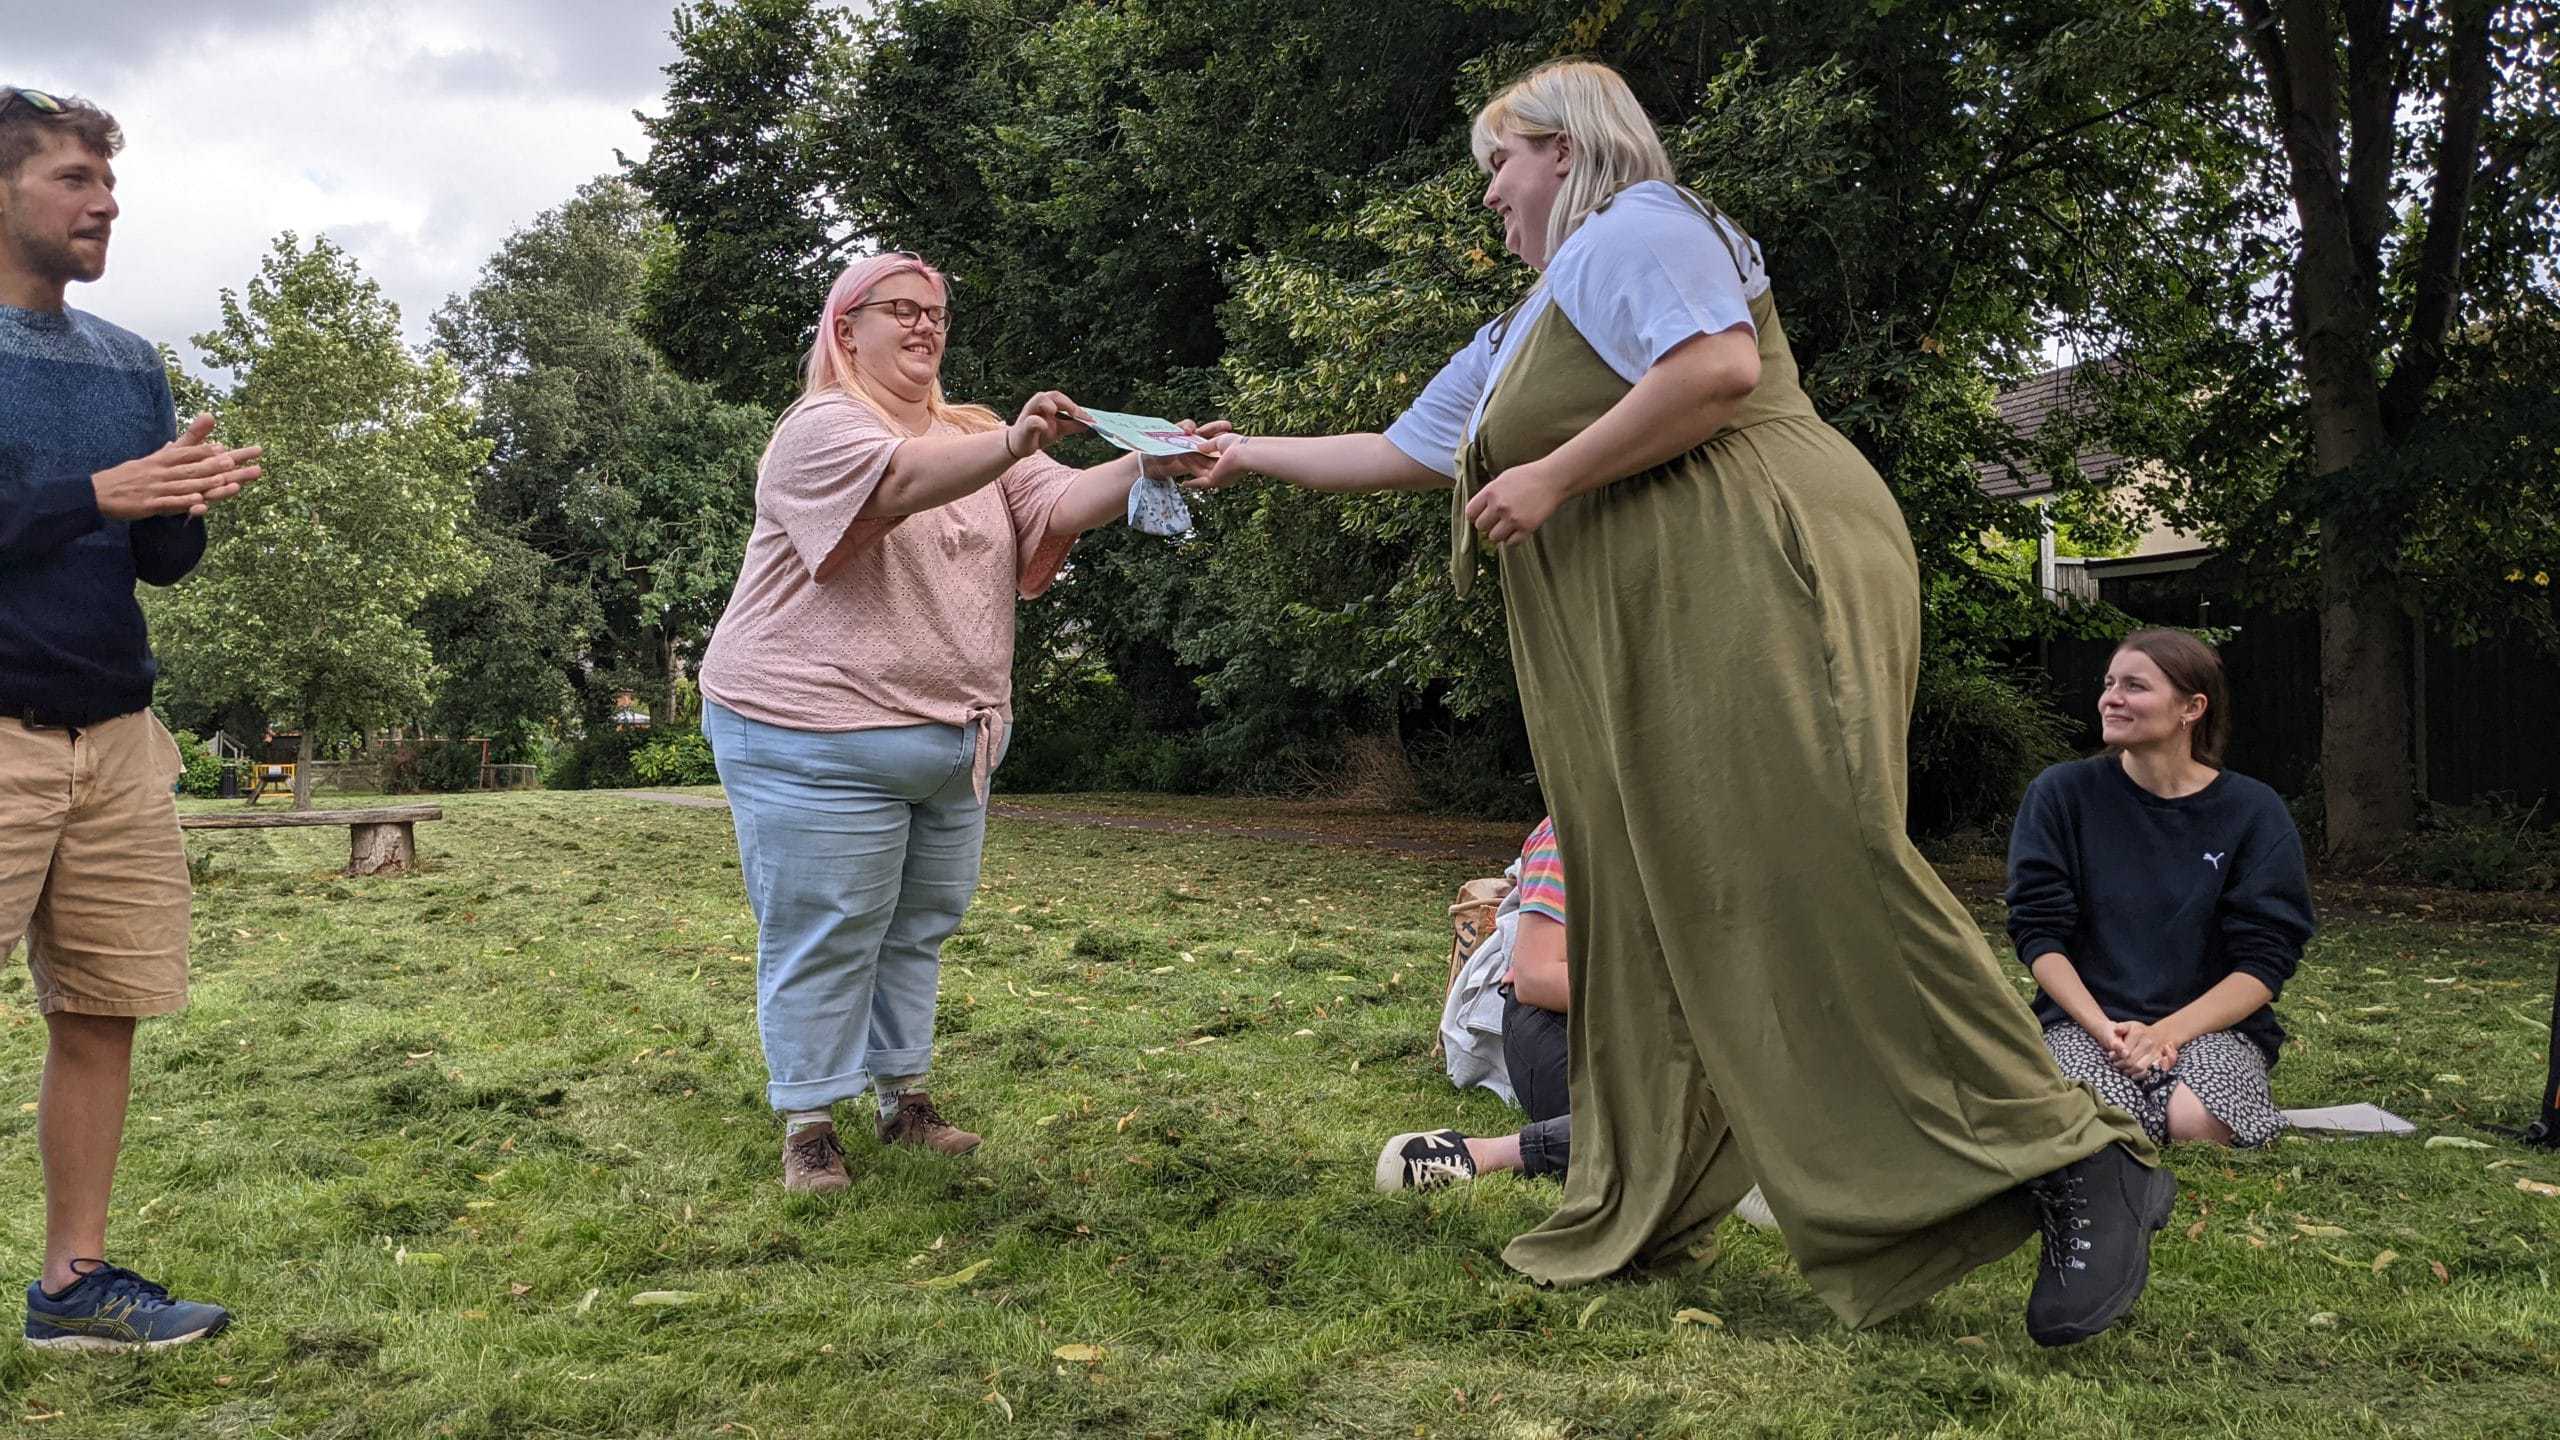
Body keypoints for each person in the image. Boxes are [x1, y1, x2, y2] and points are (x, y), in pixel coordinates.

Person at [1196, 60, 2169, 1344]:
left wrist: (1549, 479)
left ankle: (2075, 1157)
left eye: (1501, 162)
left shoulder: (1640, 226)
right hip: (1644, 627)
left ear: (1566, 151)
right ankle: (1646, 1189)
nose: (1488, 193)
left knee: (1814, 862)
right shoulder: (1523, 327)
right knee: (1654, 892)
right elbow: (1401, 450)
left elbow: (1712, 369)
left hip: (1755, 573)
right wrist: (1231, 452)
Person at [697, 251, 1220, 1194]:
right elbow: (898, 484)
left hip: (955, 736)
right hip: (814, 730)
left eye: (935, 311)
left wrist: (1147, 460)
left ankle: (905, 1099)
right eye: (899, 309)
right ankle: (810, 1122)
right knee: (828, 925)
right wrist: (1015, 442)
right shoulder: (820, 428)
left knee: (919, 926)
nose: (925, 325)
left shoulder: (972, 430)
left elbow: (1058, 502)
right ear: (845, 329)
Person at [2, 85, 260, 1351]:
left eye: (109, 183)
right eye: (72, 180)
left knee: (101, 1009)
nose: (104, 203)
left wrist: (180, 507)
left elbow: (150, 562)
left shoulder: (128, 364)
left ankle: (73, 1287)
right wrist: (95, 493)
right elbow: (71, 510)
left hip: (113, 737)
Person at [1376, 815, 1783, 1229]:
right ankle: (1482, 1155)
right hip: (1558, 1025)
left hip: (1658, 1035)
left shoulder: (1707, 832)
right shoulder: (1574, 828)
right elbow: (1536, 979)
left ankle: (1731, 1159)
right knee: (1664, 1111)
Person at [2007, 630, 2315, 1150]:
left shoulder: (2252, 811)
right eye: (2108, 684)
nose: (2111, 698)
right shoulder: (2061, 794)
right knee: (2109, 1126)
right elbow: (2038, 934)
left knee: (2197, 1124)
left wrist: (2167, 1033)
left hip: (2209, 1030)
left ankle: (2191, 1099)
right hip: (2086, 1025)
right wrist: (2105, 1030)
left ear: (2192, 708)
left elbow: (2266, 959)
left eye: (2134, 686)